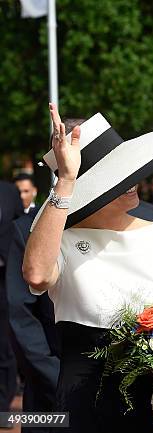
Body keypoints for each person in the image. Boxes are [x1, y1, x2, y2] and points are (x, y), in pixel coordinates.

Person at [23, 104, 153, 433]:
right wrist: (65, 181)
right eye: (116, 175)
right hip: (86, 409)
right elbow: (35, 275)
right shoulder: (59, 242)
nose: (131, 181)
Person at [6, 204, 60, 433]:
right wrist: (54, 375)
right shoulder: (26, 227)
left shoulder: (148, 219)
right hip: (47, 385)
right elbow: (21, 315)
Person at [0, 181, 23, 429]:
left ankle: (3, 407)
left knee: (4, 345)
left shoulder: (8, 191)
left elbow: (18, 228)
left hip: (3, 280)